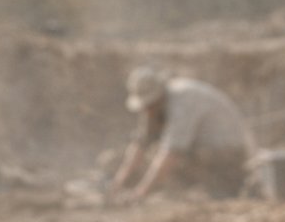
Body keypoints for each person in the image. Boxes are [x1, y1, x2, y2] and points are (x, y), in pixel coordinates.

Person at [109, 66, 255, 202]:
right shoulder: (156, 105)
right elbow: (142, 143)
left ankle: (219, 191)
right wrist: (117, 183)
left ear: (159, 96)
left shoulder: (182, 101)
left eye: (150, 105)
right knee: (158, 156)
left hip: (229, 153)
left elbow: (171, 153)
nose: (147, 111)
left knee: (174, 163)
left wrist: (140, 193)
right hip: (207, 150)